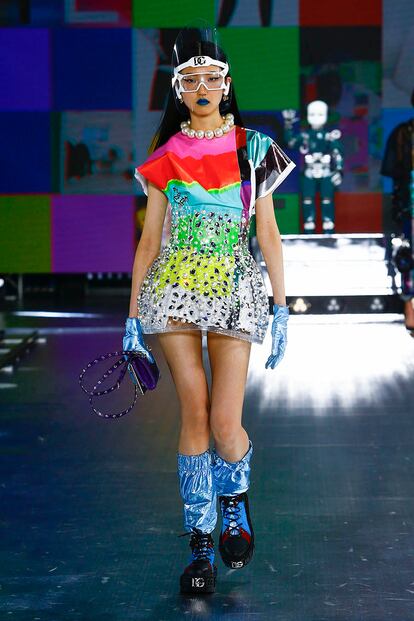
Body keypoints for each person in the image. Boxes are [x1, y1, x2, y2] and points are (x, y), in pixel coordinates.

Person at [123, 24, 295, 594]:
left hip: (235, 289)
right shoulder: (167, 155)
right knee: (193, 417)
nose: (202, 88)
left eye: (210, 78)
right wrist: (132, 318)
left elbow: (267, 234)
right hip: (174, 290)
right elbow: (149, 242)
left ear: (226, 84)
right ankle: (200, 546)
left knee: (225, 423)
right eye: (190, 79)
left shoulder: (254, 148)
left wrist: (281, 306)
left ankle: (235, 503)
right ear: (178, 89)